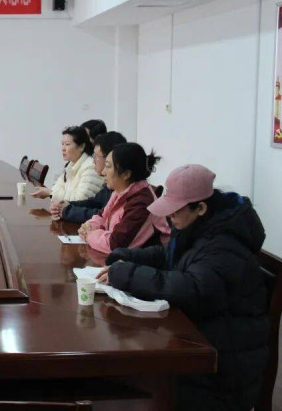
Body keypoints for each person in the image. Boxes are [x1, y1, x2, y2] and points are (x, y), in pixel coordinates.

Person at [97, 165, 268, 410]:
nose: (170, 217)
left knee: (125, 376)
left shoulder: (224, 245)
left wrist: (127, 274)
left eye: (175, 211)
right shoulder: (199, 227)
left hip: (220, 367)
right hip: (202, 341)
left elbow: (193, 289)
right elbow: (168, 255)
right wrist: (125, 256)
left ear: (201, 208)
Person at [78, 143, 170, 255]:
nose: (103, 172)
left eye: (108, 166)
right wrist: (89, 226)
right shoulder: (120, 191)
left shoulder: (142, 202)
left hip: (146, 262)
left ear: (126, 174)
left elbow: (115, 245)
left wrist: (90, 235)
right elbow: (102, 216)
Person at [52, 131, 127, 222]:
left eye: (96, 156)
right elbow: (95, 202)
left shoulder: (124, 189)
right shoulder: (110, 187)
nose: (93, 160)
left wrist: (66, 210)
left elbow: (104, 215)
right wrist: (68, 204)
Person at [31, 126, 103, 202]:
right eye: (62, 144)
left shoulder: (90, 167)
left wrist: (51, 193)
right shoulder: (71, 165)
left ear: (81, 146)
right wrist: (52, 193)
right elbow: (55, 189)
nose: (63, 148)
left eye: (67, 144)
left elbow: (81, 199)